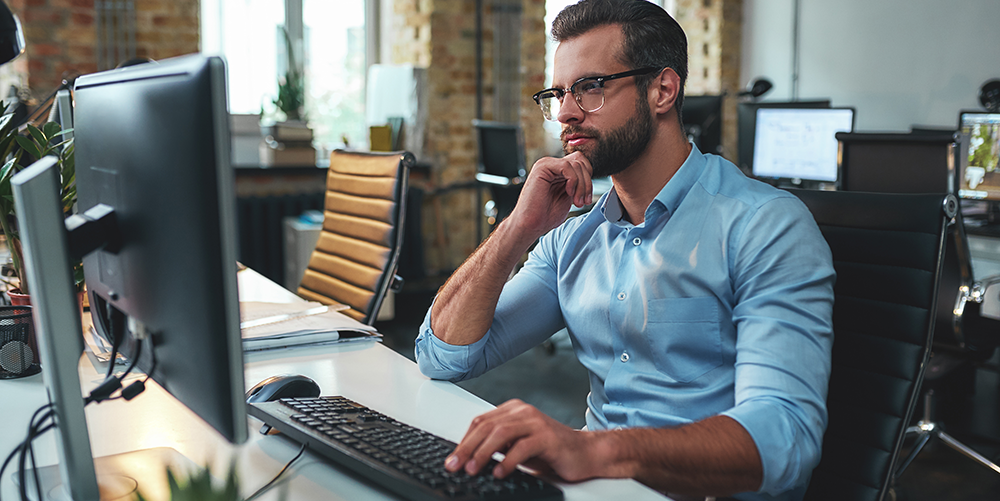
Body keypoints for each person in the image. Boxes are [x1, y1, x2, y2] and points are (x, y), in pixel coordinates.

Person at [414, 1, 835, 499]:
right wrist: (515, 230)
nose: (566, 113)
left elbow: (785, 438)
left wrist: (594, 450)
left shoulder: (763, 226)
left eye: (590, 87)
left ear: (662, 89)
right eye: (559, 93)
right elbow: (443, 356)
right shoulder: (573, 238)